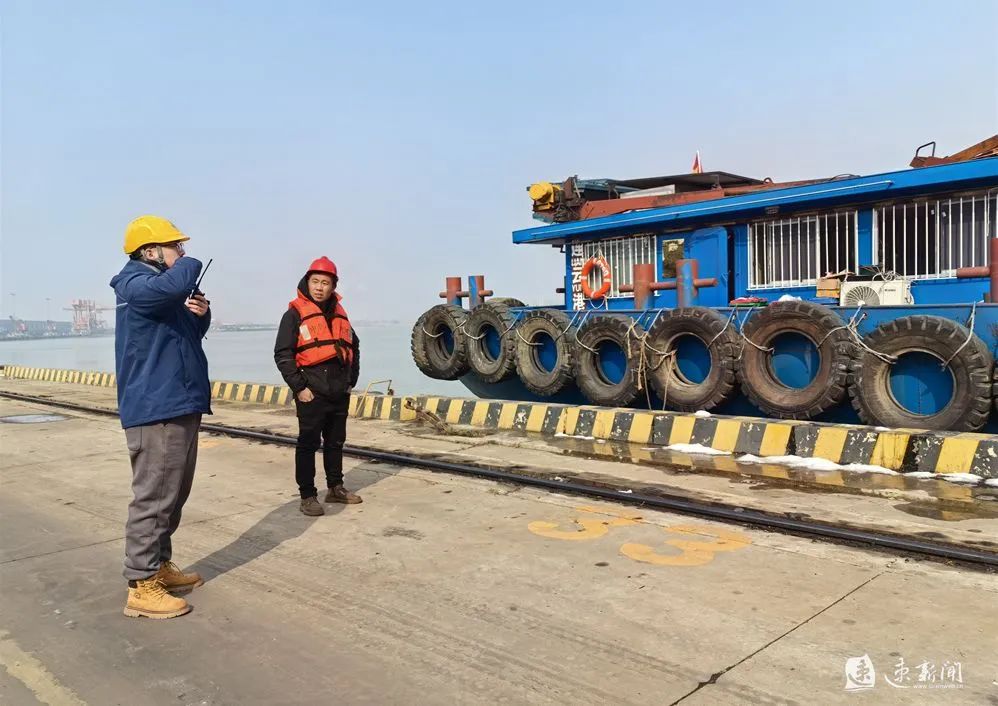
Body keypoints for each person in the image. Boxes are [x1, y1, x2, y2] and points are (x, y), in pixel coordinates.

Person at [110, 215, 212, 619]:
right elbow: (171, 286)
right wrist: (190, 265)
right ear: (151, 251)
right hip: (156, 407)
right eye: (176, 247)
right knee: (154, 497)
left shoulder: (161, 292)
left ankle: (159, 565)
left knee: (173, 494)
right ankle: (141, 584)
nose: (183, 253)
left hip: (179, 402)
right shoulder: (134, 283)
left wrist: (199, 315)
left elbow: (185, 337)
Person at [274, 256, 361, 516]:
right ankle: (308, 496)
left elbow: (354, 347)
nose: (319, 287)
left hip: (338, 390)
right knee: (307, 444)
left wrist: (350, 381)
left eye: (325, 282)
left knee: (336, 442)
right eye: (315, 281)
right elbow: (283, 354)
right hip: (311, 391)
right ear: (307, 282)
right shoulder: (294, 314)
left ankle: (335, 487)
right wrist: (300, 387)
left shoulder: (340, 314)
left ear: (333, 286)